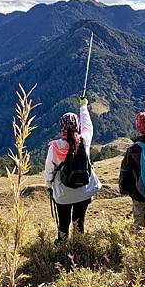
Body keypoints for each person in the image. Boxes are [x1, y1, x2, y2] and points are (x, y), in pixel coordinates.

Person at [44, 97, 101, 244]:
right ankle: (79, 247)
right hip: (84, 191)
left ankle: (62, 248)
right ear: (78, 126)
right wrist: (83, 107)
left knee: (63, 223)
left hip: (63, 194)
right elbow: (88, 126)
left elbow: (49, 171)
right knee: (79, 222)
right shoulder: (84, 141)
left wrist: (49, 186)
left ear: (61, 127)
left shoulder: (55, 147)